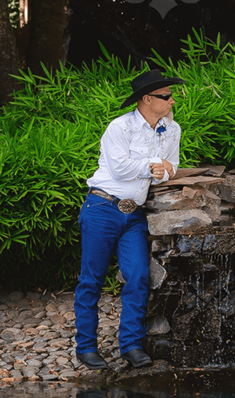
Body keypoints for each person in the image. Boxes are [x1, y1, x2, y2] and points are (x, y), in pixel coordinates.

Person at [74, 69, 184, 370]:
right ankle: (85, 347)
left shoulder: (172, 129)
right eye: (166, 96)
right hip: (102, 208)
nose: (172, 100)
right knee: (92, 279)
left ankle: (131, 346)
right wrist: (154, 166)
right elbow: (121, 169)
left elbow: (172, 165)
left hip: (133, 214)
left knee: (137, 276)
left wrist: (166, 170)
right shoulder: (119, 128)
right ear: (147, 99)